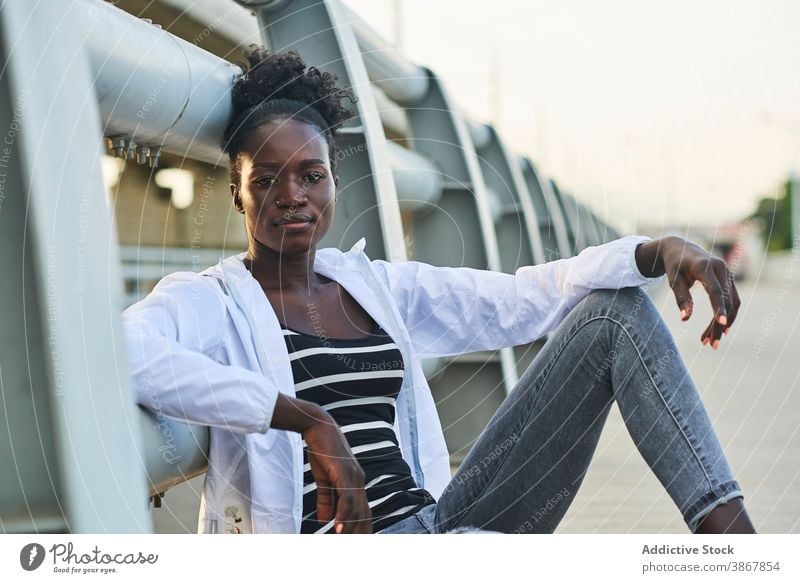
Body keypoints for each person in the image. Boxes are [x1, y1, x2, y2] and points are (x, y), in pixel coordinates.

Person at [123, 46, 755, 535]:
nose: (292, 196)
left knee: (616, 313)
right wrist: (306, 419)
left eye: (311, 176)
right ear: (237, 190)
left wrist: (656, 251)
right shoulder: (211, 301)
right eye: (267, 181)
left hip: (438, 526)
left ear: (333, 184)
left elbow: (522, 298)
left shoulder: (372, 286)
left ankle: (734, 549)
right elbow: (124, 352)